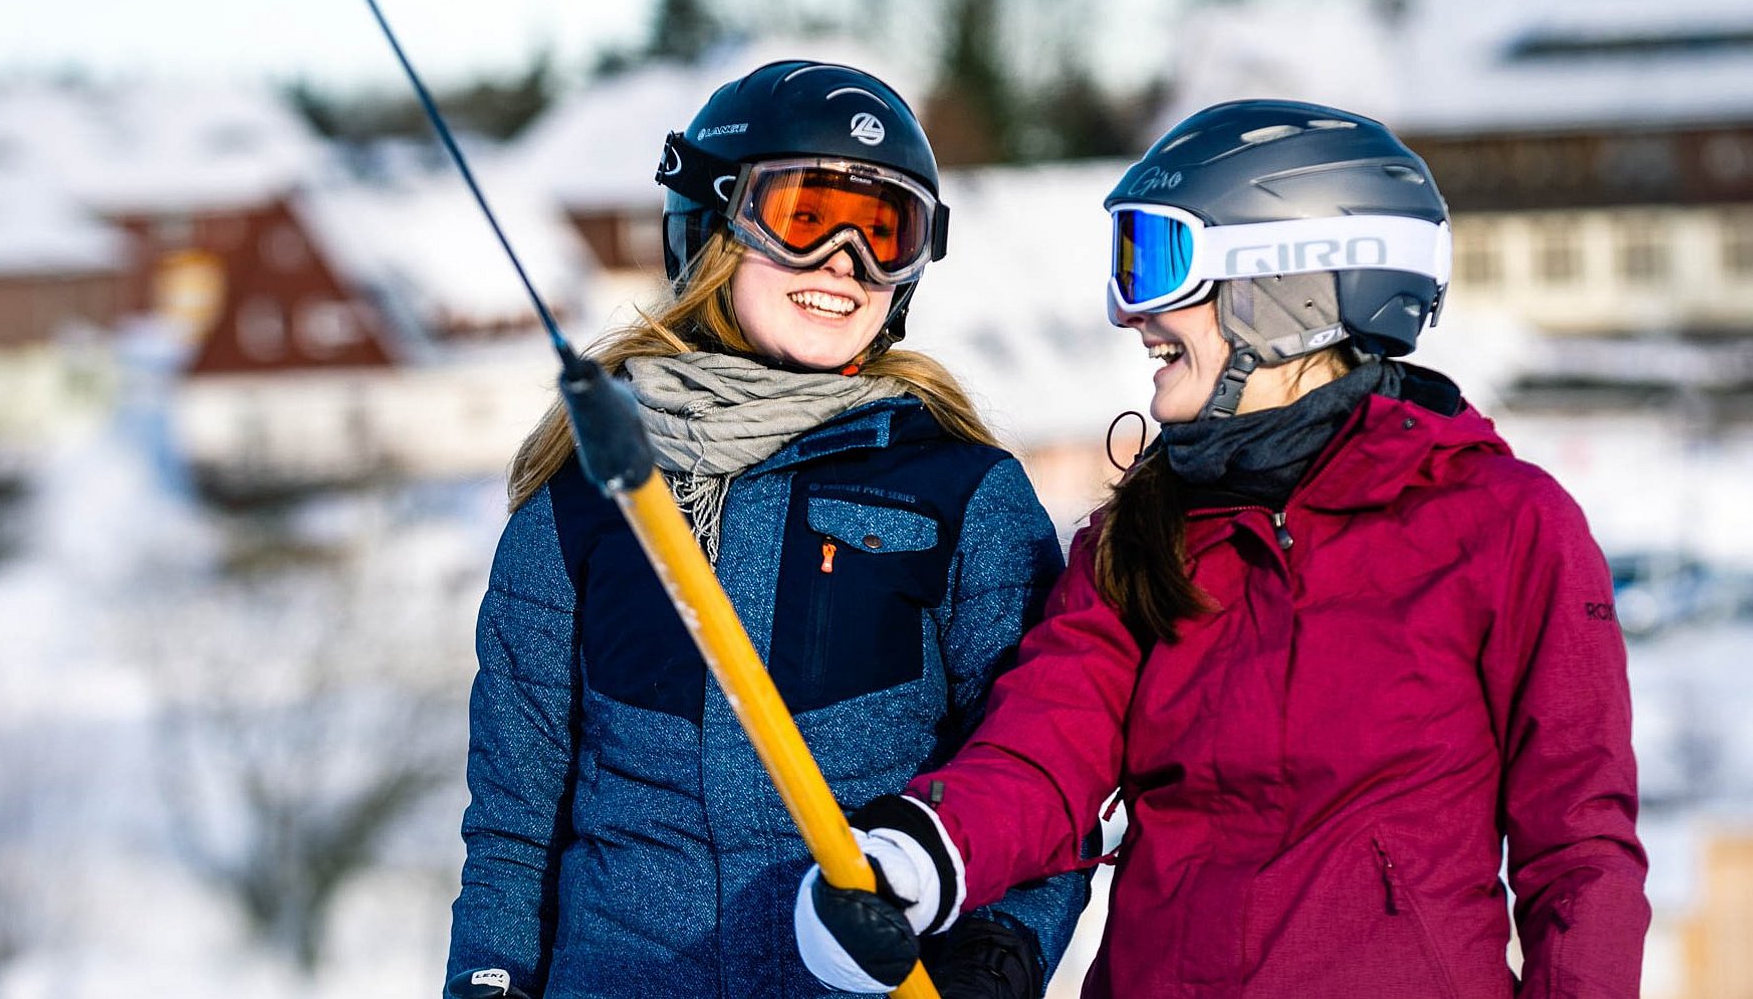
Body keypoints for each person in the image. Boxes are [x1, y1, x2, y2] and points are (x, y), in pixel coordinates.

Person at [794, 100, 1651, 998]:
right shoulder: (1138, 538)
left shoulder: (1504, 527)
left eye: (1156, 263)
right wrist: (922, 852)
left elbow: (1580, 853)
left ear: (1293, 288)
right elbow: (1045, 756)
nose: (1133, 316)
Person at [445, 60, 1085, 999]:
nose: (844, 263)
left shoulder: (962, 494)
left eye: (883, 232)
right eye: (804, 216)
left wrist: (997, 956)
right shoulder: (587, 501)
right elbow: (515, 820)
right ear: (710, 228)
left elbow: (1036, 776)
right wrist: (488, 981)